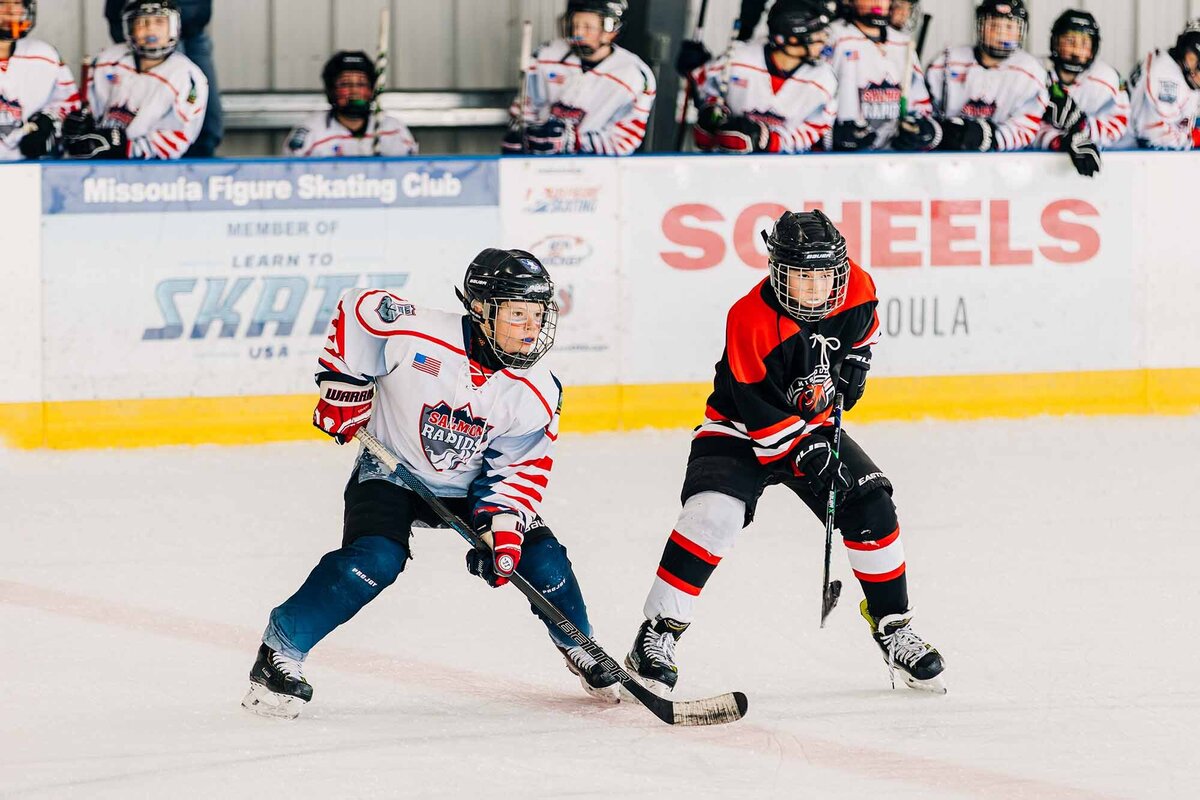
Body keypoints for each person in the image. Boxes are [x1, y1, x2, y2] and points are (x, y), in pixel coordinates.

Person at [242, 249, 621, 719]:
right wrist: (344, 387)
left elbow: (520, 468)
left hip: (472, 488)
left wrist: (501, 525)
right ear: (481, 309)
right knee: (375, 560)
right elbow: (359, 309)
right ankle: (280, 651)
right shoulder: (416, 332)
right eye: (517, 313)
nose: (530, 327)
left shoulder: (539, 388)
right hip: (391, 470)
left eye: (538, 314)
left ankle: (580, 643)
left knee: (541, 559)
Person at [623, 209, 946, 696]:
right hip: (739, 429)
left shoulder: (854, 285)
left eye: (824, 275)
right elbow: (765, 426)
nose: (816, 288)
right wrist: (808, 453)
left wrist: (859, 355)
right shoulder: (748, 319)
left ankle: (893, 625)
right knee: (713, 515)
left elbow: (867, 323)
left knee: (871, 503)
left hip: (813, 426)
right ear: (778, 271)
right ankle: (657, 632)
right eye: (802, 276)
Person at [503, 0, 655, 156]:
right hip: (539, 162)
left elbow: (625, 140)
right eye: (574, 25)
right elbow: (525, 108)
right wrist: (523, 135)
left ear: (611, 30)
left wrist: (575, 141)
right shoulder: (546, 54)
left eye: (588, 27)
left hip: (597, 170)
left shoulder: (634, 76)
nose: (578, 33)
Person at [687, 0, 836, 154]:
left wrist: (771, 141)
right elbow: (703, 88)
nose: (823, 41)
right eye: (817, 34)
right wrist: (712, 111)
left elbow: (816, 128)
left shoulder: (823, 79)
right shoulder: (738, 59)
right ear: (791, 37)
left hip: (786, 171)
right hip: (728, 167)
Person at [64, 0, 207, 160]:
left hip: (151, 174)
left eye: (159, 22)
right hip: (101, 165)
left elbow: (178, 138)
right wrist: (82, 125)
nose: (151, 29)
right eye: (142, 23)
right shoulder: (108, 60)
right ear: (130, 29)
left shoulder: (188, 78)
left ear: (174, 28)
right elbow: (88, 108)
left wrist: (127, 147)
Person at [924, 0, 1048, 152]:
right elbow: (924, 112)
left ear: (1021, 31)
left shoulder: (1031, 72)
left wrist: (991, 138)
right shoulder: (946, 61)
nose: (1001, 33)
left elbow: (1028, 126)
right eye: (994, 25)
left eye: (1009, 26)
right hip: (947, 162)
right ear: (980, 26)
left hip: (1005, 165)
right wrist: (934, 132)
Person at [106, 0, 221, 157]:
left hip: (193, 24)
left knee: (202, 113)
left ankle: (199, 171)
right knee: (154, 112)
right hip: (149, 22)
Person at [825, 0, 937, 152]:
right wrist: (830, 135)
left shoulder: (903, 43)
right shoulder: (832, 37)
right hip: (844, 163)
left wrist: (923, 131)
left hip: (893, 164)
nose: (878, 2)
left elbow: (921, 108)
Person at [1033, 10, 1127, 177]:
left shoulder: (1107, 79)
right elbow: (1024, 125)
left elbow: (1118, 125)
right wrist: (1061, 141)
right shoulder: (1034, 73)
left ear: (1093, 49)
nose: (1076, 50)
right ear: (1056, 42)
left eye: (1084, 43)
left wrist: (1082, 130)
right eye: (1070, 41)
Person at [284, 51, 418, 158]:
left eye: (361, 84)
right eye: (345, 84)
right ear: (331, 90)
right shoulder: (311, 132)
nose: (354, 91)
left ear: (372, 89)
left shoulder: (394, 130)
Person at [0, 0, 80, 160]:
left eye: (17, 3)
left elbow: (69, 105)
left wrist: (47, 122)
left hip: (30, 170)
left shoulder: (44, 55)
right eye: (2, 3)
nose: (11, 10)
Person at [1121, 20, 1200, 151]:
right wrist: (1193, 139)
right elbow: (1154, 137)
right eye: (1196, 60)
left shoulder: (1173, 66)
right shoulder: (1166, 77)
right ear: (1183, 50)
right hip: (1129, 151)